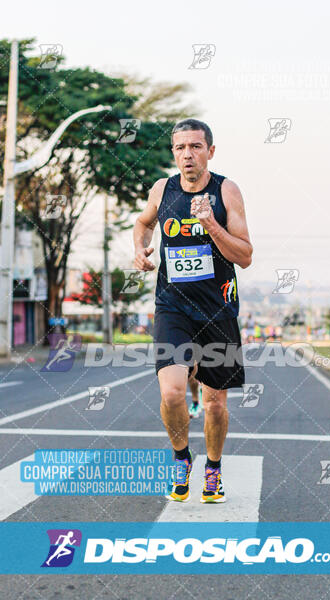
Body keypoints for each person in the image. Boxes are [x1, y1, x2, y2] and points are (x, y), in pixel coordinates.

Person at [133, 118, 252, 503]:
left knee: (215, 402)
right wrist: (140, 247)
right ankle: (182, 458)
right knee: (171, 393)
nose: (188, 154)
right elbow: (143, 222)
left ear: (210, 151)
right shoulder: (161, 189)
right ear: (174, 153)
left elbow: (245, 256)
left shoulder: (226, 191)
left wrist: (211, 225)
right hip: (173, 308)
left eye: (196, 147)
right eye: (181, 147)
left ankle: (213, 467)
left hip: (218, 309)